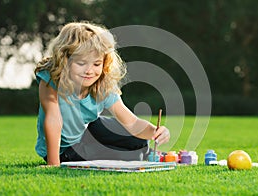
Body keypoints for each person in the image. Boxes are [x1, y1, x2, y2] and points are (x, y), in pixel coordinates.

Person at [34, 21, 170, 166]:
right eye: (81, 63)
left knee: (139, 139)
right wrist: (53, 163)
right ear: (65, 60)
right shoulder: (52, 78)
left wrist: (155, 132)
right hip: (64, 149)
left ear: (104, 63)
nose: (89, 71)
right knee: (128, 156)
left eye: (96, 64)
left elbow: (132, 123)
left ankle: (145, 151)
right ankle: (142, 154)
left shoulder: (102, 85)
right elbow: (53, 119)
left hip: (87, 132)